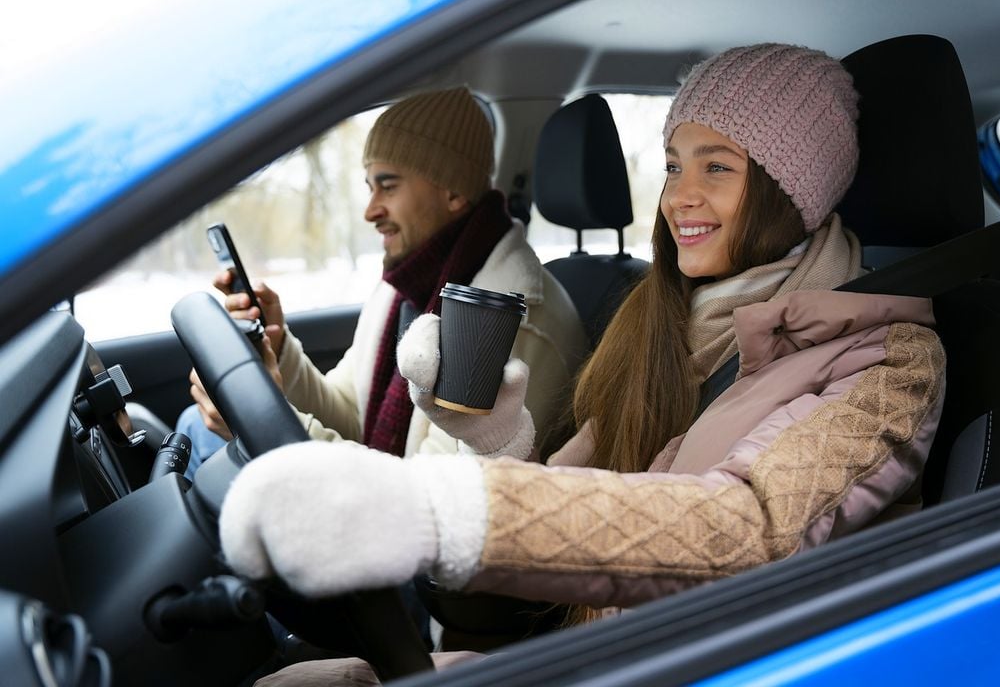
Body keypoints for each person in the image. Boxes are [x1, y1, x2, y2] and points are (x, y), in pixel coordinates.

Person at [217, 44, 947, 683]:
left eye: (717, 167)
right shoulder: (665, 319)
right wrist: (500, 443)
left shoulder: (889, 361)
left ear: (796, 191)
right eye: (672, 166)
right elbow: (581, 492)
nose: (678, 197)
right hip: (611, 653)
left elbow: (748, 529)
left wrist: (436, 509)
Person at [180, 86, 588, 475]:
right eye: (369, 187)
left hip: (422, 528)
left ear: (452, 191)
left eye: (388, 186)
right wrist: (280, 345)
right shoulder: (406, 285)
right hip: (385, 509)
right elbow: (350, 412)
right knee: (194, 424)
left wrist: (266, 421)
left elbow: (438, 497)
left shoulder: (504, 313)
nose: (370, 210)